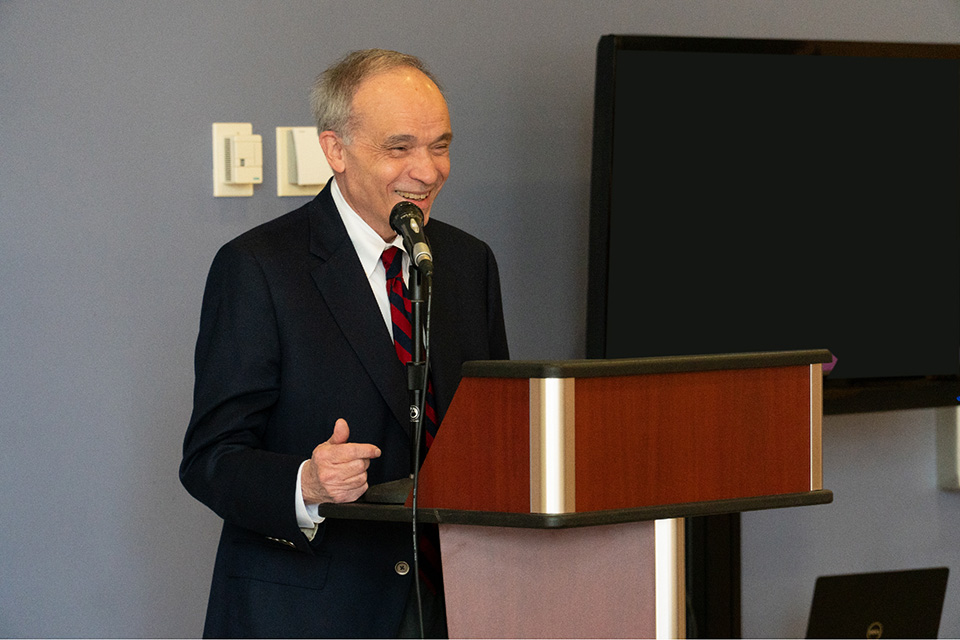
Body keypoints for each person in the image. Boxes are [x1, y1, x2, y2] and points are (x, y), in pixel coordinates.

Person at [180, 49, 510, 638]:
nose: (429, 171)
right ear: (335, 150)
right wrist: (305, 482)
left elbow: (492, 429)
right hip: (312, 612)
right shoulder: (258, 268)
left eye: (440, 145)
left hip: (457, 601)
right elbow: (211, 460)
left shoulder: (467, 262)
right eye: (400, 147)